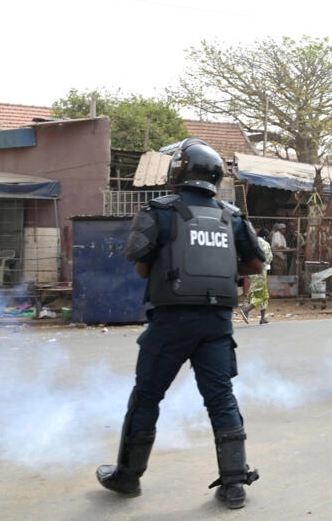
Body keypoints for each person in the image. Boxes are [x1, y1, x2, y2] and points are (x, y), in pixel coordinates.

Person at [96, 138, 265, 509]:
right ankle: (234, 485)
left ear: (179, 171)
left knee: (147, 396)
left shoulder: (158, 210)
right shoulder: (232, 216)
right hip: (217, 323)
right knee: (221, 399)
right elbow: (256, 263)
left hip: (171, 321)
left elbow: (142, 268)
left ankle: (128, 477)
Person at [240, 229, 273, 325]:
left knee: (263, 294)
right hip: (260, 271)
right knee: (261, 295)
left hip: (251, 272)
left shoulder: (252, 244)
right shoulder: (265, 244)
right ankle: (246, 310)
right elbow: (268, 258)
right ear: (265, 236)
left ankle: (262, 319)